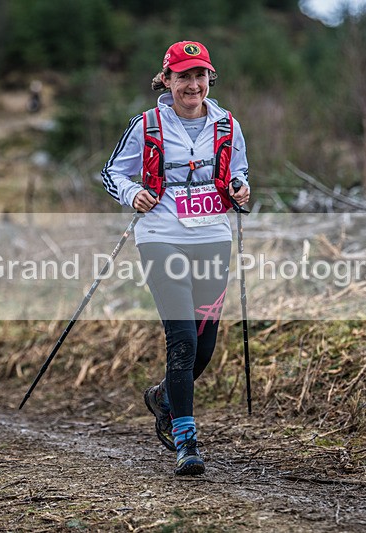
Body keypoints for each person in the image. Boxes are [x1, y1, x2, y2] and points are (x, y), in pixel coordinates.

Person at [101, 40, 250, 475]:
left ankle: (163, 396)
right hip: (161, 237)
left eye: (199, 75)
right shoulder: (147, 125)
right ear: (165, 80)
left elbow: (239, 171)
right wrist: (133, 193)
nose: (192, 84)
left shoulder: (227, 125)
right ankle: (186, 439)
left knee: (204, 346)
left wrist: (240, 188)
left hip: (213, 238)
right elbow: (113, 173)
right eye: (182, 75)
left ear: (210, 79)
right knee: (182, 339)